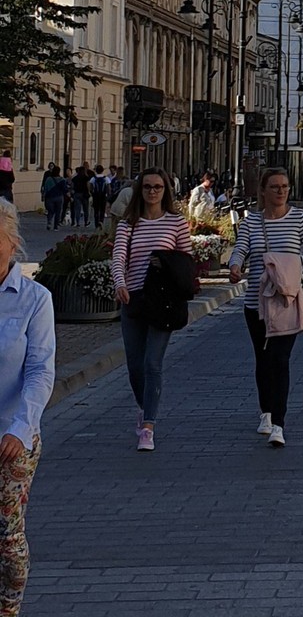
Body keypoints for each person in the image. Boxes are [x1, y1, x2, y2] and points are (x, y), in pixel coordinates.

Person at [228, 168, 303, 447]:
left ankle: (279, 423)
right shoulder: (252, 222)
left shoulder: (300, 218)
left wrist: (287, 262)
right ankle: (265, 411)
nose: (281, 191)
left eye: (285, 187)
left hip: (286, 300)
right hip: (256, 302)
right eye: (275, 187)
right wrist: (235, 265)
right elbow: (240, 249)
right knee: (263, 359)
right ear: (264, 191)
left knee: (280, 360)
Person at [110, 169, 192, 452]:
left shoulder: (176, 223)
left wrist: (168, 266)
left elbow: (186, 260)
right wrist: (120, 283)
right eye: (147, 187)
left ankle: (148, 426)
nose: (152, 192)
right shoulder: (128, 224)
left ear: (165, 190)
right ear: (139, 190)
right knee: (134, 365)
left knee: (152, 363)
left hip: (163, 301)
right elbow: (118, 257)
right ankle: (144, 406)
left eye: (158, 187)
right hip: (133, 298)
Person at [0, 202, 55, 617]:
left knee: (7, 537)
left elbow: (39, 370)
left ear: (12, 243)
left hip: (13, 437)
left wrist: (21, 428)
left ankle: (9, 606)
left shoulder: (34, 299)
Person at [40, 165, 66, 231]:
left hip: (49, 197)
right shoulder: (62, 179)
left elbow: (45, 188)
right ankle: (56, 226)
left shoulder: (48, 179)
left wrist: (44, 196)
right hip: (59, 197)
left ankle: (49, 222)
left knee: (50, 211)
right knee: (58, 212)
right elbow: (64, 189)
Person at [71, 164, 91, 228]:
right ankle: (86, 222)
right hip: (85, 194)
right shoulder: (86, 177)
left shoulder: (75, 178)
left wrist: (73, 192)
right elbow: (88, 185)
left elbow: (72, 186)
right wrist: (89, 192)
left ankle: (78, 223)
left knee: (77, 209)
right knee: (86, 209)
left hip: (77, 194)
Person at [89, 165, 109, 229]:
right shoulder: (106, 178)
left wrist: (92, 193)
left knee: (96, 210)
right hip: (103, 196)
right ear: (102, 170)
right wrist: (108, 195)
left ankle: (96, 224)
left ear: (96, 170)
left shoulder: (93, 178)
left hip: (96, 196)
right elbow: (109, 187)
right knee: (102, 210)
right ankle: (101, 222)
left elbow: (90, 187)